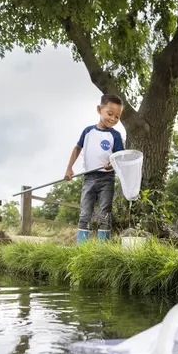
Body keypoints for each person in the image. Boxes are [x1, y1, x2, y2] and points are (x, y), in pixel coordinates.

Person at [64, 94, 125, 244]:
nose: (113, 119)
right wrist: (69, 168)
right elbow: (77, 148)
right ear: (99, 109)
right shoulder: (88, 131)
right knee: (85, 213)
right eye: (110, 114)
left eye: (117, 117)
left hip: (107, 179)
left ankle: (102, 248)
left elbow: (120, 159)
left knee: (105, 213)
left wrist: (112, 164)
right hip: (89, 178)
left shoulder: (115, 136)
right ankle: (81, 247)